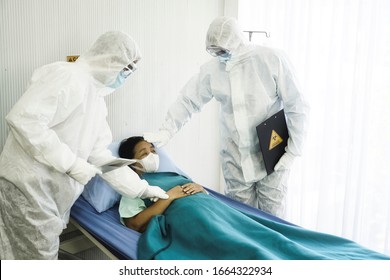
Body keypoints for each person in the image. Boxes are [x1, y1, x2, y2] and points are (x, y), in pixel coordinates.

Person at [0, 31, 168, 260]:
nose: (126, 76)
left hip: (49, 196)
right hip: (27, 188)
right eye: (126, 68)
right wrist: (71, 164)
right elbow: (25, 120)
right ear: (109, 60)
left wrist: (142, 189)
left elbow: (101, 156)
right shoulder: (68, 76)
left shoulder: (97, 102)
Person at [118, 136, 390, 260]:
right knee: (251, 251)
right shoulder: (134, 183)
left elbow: (188, 187)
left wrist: (195, 187)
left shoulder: (171, 173)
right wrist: (172, 196)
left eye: (153, 148)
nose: (153, 153)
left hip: (216, 210)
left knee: (274, 236)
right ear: (131, 162)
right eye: (144, 152)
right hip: (191, 219)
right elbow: (134, 223)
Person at [144, 16, 310, 218]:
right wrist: (167, 130)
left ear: (236, 42)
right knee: (238, 217)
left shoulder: (271, 59)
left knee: (273, 218)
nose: (218, 55)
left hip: (273, 151)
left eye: (221, 50)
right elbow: (187, 100)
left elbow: (297, 104)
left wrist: (293, 151)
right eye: (213, 51)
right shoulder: (213, 70)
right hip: (235, 157)